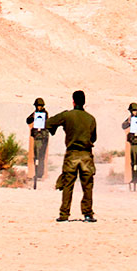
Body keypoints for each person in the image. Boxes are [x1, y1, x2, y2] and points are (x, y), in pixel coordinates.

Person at [48, 90, 97, 222]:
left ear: (73, 101)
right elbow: (94, 138)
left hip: (72, 155)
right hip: (86, 155)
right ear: (84, 102)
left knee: (68, 184)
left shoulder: (67, 115)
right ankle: (88, 214)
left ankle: (64, 214)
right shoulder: (91, 119)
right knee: (87, 186)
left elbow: (49, 123)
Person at [26, 98, 51, 186]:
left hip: (43, 137)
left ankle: (39, 174)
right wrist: (33, 116)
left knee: (41, 156)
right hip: (37, 137)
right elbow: (28, 120)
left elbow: (47, 123)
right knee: (36, 156)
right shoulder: (35, 113)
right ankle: (36, 174)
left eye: (40, 106)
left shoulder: (45, 114)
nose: (39, 108)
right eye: (38, 106)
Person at [122, 102, 137, 189]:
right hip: (134, 142)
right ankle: (134, 178)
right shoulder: (131, 118)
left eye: (135, 111)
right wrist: (128, 121)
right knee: (133, 162)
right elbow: (123, 126)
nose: (133, 112)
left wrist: (132, 121)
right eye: (132, 111)